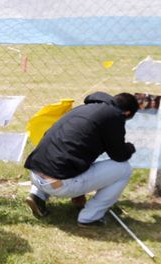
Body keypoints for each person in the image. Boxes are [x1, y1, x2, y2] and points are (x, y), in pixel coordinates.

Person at [24, 92, 139, 227]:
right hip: (59, 184)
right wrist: (130, 147)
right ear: (127, 113)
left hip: (35, 173)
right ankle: (90, 217)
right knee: (124, 169)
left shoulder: (84, 108)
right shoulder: (114, 116)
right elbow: (119, 155)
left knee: (62, 155)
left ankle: (38, 195)